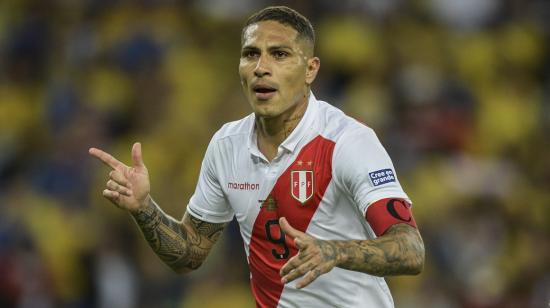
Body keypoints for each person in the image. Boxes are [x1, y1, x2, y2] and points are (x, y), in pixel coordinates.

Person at [89, 6, 424, 308]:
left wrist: (335, 251)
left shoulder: (348, 141)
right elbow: (190, 255)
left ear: (310, 69)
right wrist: (145, 209)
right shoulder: (227, 144)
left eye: (279, 55)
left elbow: (411, 249)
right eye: (251, 54)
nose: (262, 68)